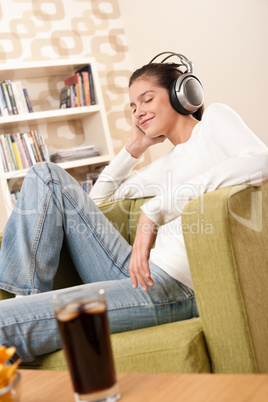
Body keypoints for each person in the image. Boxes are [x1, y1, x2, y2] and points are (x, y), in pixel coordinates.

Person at [0, 54, 268, 363]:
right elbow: (94, 205)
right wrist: (134, 149)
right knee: (45, 175)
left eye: (147, 99)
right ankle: (27, 301)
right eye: (133, 107)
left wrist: (155, 210)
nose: (139, 112)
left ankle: (25, 314)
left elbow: (259, 160)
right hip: (133, 271)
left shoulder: (215, 122)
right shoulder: (162, 165)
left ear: (183, 94)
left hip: (172, 287)